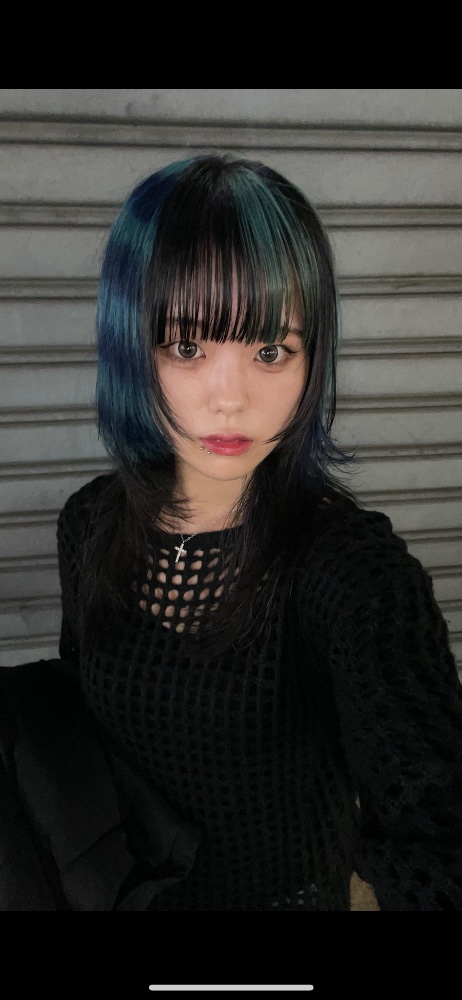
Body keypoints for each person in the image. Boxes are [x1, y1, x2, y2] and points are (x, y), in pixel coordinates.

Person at [50, 155, 462, 909]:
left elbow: (440, 833)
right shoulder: (89, 525)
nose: (230, 398)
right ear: (128, 344)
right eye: (187, 347)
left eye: (271, 351)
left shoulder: (355, 576)